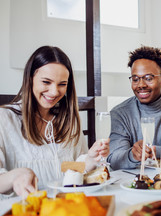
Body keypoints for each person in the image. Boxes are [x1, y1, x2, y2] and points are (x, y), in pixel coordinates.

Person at [0, 46, 109, 198]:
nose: (54, 92)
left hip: (64, 207)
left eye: (62, 84)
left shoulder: (68, 120)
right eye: (46, 82)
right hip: (21, 213)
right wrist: (16, 175)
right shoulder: (4, 119)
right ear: (30, 78)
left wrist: (90, 159)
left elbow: (66, 168)